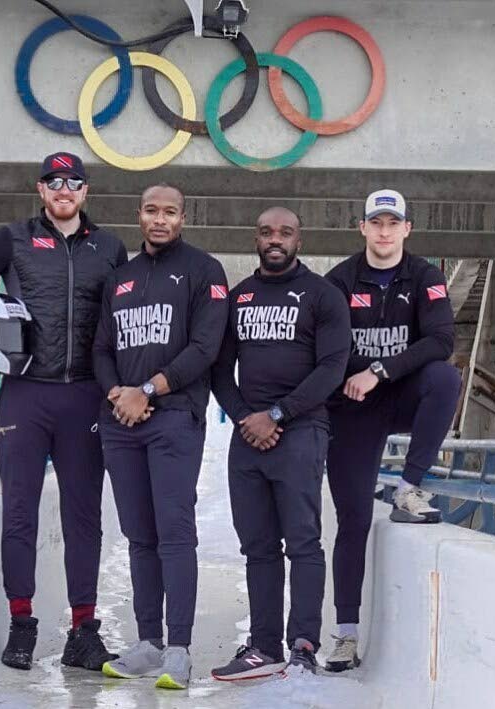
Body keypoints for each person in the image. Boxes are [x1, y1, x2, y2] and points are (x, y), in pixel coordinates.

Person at [0, 152, 127, 672]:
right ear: (41, 189)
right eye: (54, 181)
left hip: (85, 396)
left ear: (85, 192)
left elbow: (124, 318)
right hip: (25, 394)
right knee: (20, 510)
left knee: (83, 516)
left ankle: (83, 632)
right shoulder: (11, 239)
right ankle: (22, 624)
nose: (64, 189)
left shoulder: (110, 247)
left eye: (73, 182)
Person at [92, 184, 229, 690]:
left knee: (174, 531)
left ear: (182, 218)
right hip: (122, 423)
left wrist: (147, 390)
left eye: (170, 212)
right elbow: (101, 348)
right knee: (139, 535)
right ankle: (148, 642)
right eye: (151, 210)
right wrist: (117, 393)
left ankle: (178, 649)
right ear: (139, 215)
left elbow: (205, 347)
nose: (160, 219)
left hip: (173, 417)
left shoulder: (204, 270)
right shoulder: (119, 278)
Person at [209, 207, 351, 679]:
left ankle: (304, 645)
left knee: (303, 541)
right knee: (258, 546)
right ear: (256, 238)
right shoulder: (239, 297)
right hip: (248, 436)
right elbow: (219, 370)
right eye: (267, 232)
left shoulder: (323, 296)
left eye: (285, 233)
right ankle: (264, 646)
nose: (276, 239)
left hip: (301, 432)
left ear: (298, 240)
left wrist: (277, 415)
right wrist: (244, 418)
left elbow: (331, 369)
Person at [322, 189, 461, 672]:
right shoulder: (339, 281)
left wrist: (380, 370)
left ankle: (408, 488)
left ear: (407, 229)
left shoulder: (425, 276)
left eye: (392, 223)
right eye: (376, 223)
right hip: (352, 406)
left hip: (398, 393)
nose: (384, 232)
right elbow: (327, 349)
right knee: (353, 520)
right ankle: (346, 635)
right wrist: (355, 378)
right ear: (362, 227)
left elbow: (441, 340)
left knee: (444, 378)